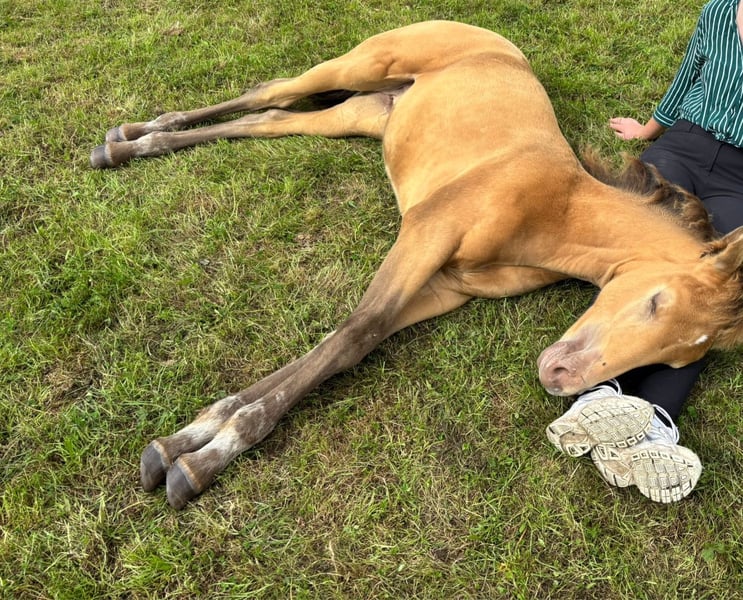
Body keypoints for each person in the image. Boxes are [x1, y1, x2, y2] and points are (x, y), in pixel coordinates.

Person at [546, 0, 743, 503]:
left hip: (740, 179)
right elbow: (690, 71)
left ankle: (653, 423)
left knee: (707, 291)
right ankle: (601, 392)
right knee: (644, 249)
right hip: (683, 147)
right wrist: (650, 130)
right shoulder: (720, 11)